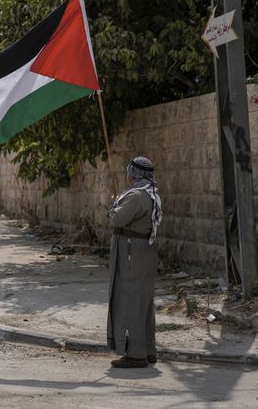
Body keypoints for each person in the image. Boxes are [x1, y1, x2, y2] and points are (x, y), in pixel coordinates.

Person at [106, 156, 163, 368]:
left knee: (129, 300)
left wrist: (113, 205)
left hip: (131, 253)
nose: (127, 175)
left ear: (135, 173)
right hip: (143, 252)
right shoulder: (151, 194)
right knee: (143, 302)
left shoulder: (137, 196)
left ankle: (135, 355)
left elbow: (116, 219)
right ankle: (147, 350)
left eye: (130, 171)